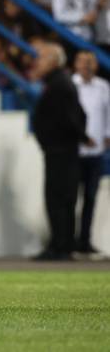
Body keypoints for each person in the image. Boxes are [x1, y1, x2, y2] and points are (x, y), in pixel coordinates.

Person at [31, 42, 89, 261]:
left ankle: (61, 246)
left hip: (61, 151)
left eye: (43, 57)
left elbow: (73, 116)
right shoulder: (58, 82)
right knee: (60, 198)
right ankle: (60, 244)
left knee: (59, 199)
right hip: (59, 150)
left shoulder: (60, 84)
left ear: (54, 61)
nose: (38, 62)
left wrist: (76, 137)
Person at [71, 51, 110, 255]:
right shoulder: (71, 85)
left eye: (90, 62)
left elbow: (108, 113)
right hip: (75, 151)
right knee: (70, 198)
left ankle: (84, 240)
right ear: (76, 64)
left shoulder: (103, 86)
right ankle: (66, 240)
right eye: (83, 62)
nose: (86, 66)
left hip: (95, 152)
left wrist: (107, 135)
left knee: (91, 198)